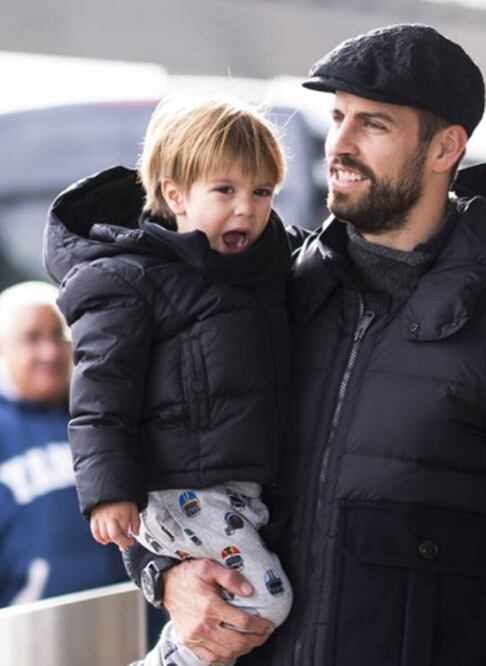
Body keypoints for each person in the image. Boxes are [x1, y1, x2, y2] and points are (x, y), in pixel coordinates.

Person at [133, 23, 486, 666]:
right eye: (338, 117)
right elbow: (152, 449)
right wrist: (162, 575)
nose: (340, 143)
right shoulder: (273, 290)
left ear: (446, 147)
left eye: (374, 124)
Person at [43, 97, 294, 666]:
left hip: (237, 489)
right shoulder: (128, 279)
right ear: (176, 195)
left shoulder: (263, 274)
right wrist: (109, 492)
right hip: (180, 490)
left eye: (262, 193)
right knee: (266, 600)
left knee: (246, 601)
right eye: (225, 191)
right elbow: (100, 393)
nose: (247, 210)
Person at [0, 281, 127, 606]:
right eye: (32, 339)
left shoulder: (105, 416)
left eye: (58, 336)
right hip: (30, 639)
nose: (50, 352)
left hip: (130, 622)